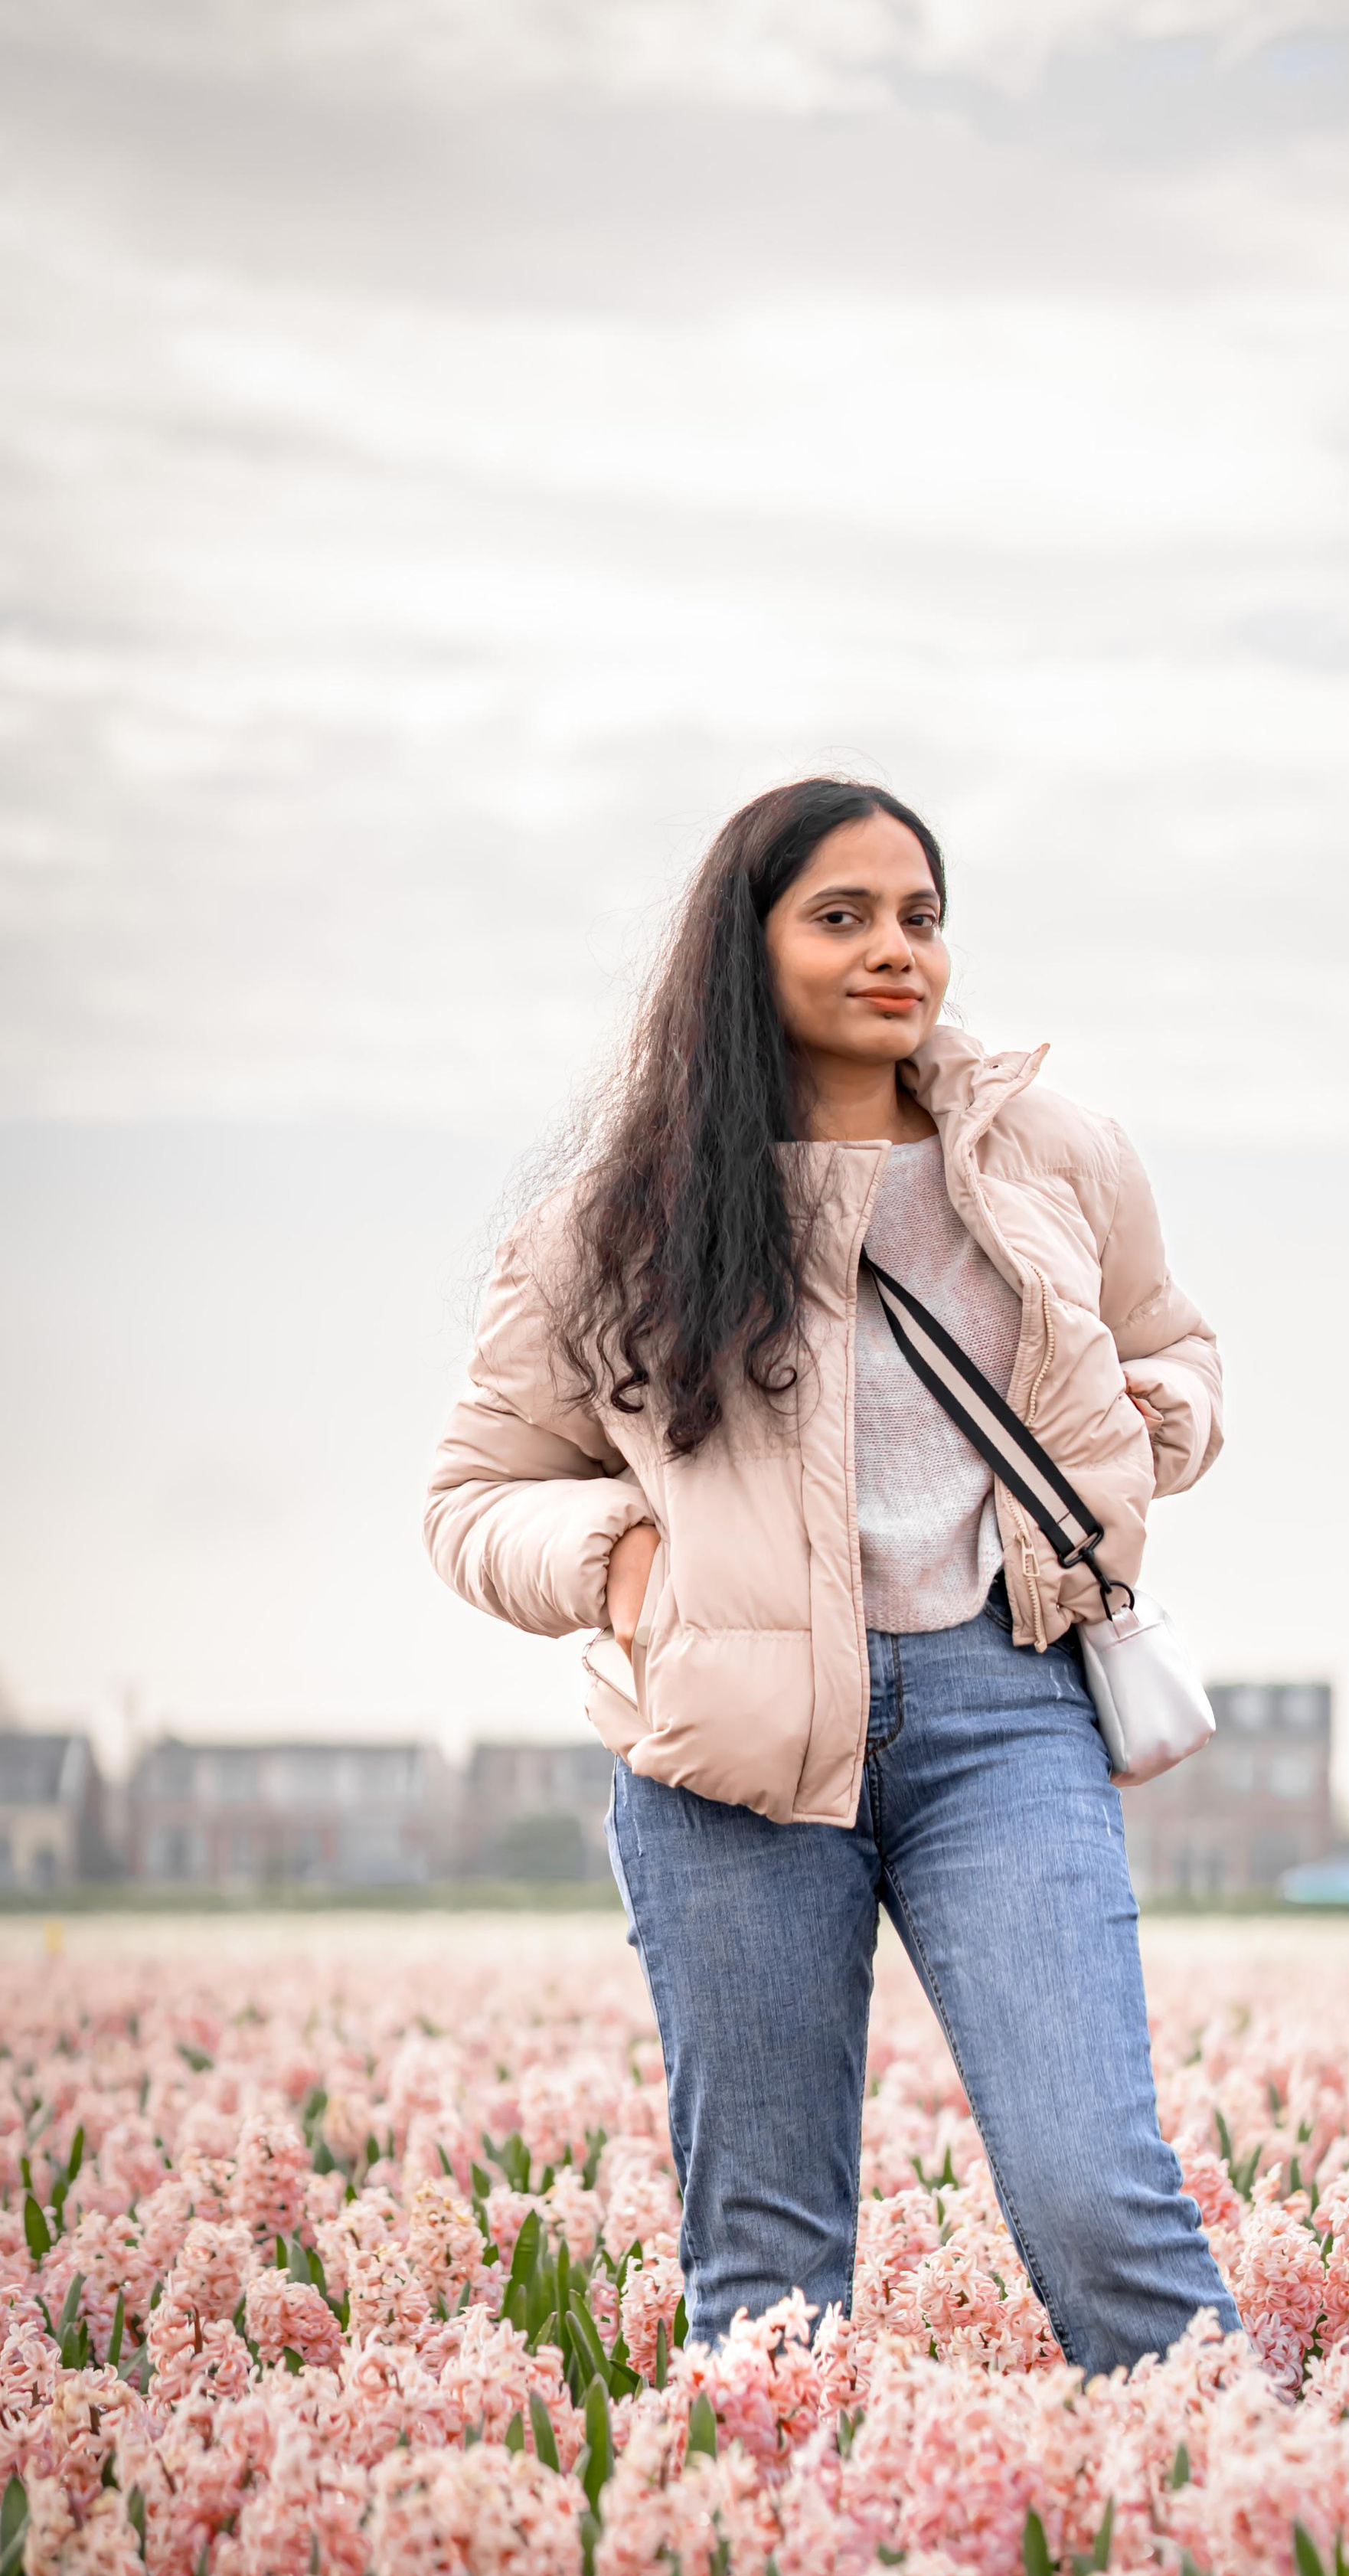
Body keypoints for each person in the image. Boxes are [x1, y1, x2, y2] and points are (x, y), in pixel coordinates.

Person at [425, 777, 1240, 2374]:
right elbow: (472, 1496)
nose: (896, 952)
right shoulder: (610, 1219)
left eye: (920, 918)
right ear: (748, 945)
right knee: (768, 2263)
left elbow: (1172, 1348)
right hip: (730, 1743)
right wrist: (619, 1559)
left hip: (1002, 1710)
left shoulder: (1053, 1149)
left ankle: (1254, 2550)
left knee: (1097, 2194)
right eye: (843, 916)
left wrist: (1168, 1417)